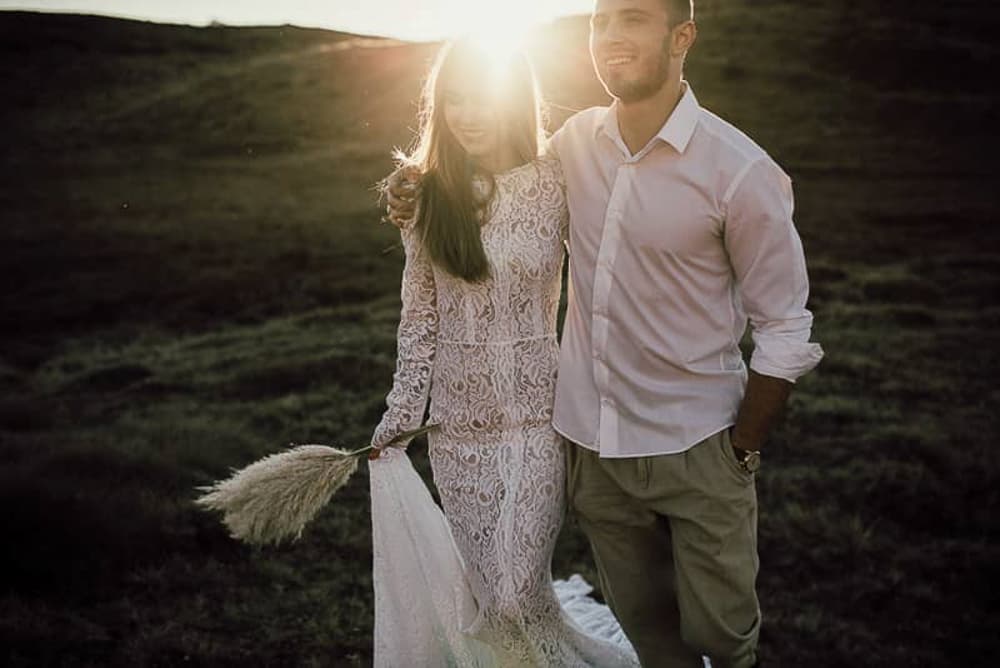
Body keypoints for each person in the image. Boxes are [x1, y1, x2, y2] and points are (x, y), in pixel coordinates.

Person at [386, 1, 825, 666]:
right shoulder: (574, 147)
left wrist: (743, 446)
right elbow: (490, 184)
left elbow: (787, 329)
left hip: (699, 441)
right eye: (600, 21)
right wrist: (411, 181)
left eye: (633, 18)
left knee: (720, 636)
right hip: (593, 445)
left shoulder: (740, 171)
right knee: (650, 633)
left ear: (682, 37)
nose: (611, 36)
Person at [369, 38, 640, 667]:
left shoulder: (556, 182)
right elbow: (421, 317)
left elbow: (607, 270)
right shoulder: (428, 193)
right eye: (453, 99)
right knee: (494, 597)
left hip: (537, 422)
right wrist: (402, 411)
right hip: (457, 431)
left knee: (517, 596)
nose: (466, 113)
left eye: (481, 97)